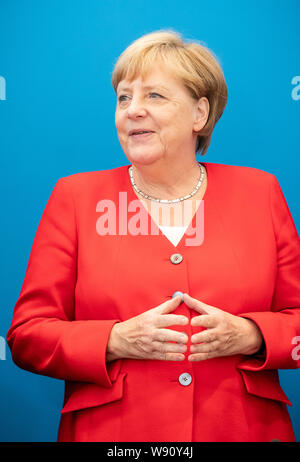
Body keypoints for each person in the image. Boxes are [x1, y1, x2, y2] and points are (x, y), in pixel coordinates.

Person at [6, 30, 300, 442]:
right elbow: (27, 337)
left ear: (200, 113)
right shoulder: (75, 197)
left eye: (154, 97)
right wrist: (113, 339)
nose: (133, 111)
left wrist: (252, 335)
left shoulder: (260, 192)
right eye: (124, 98)